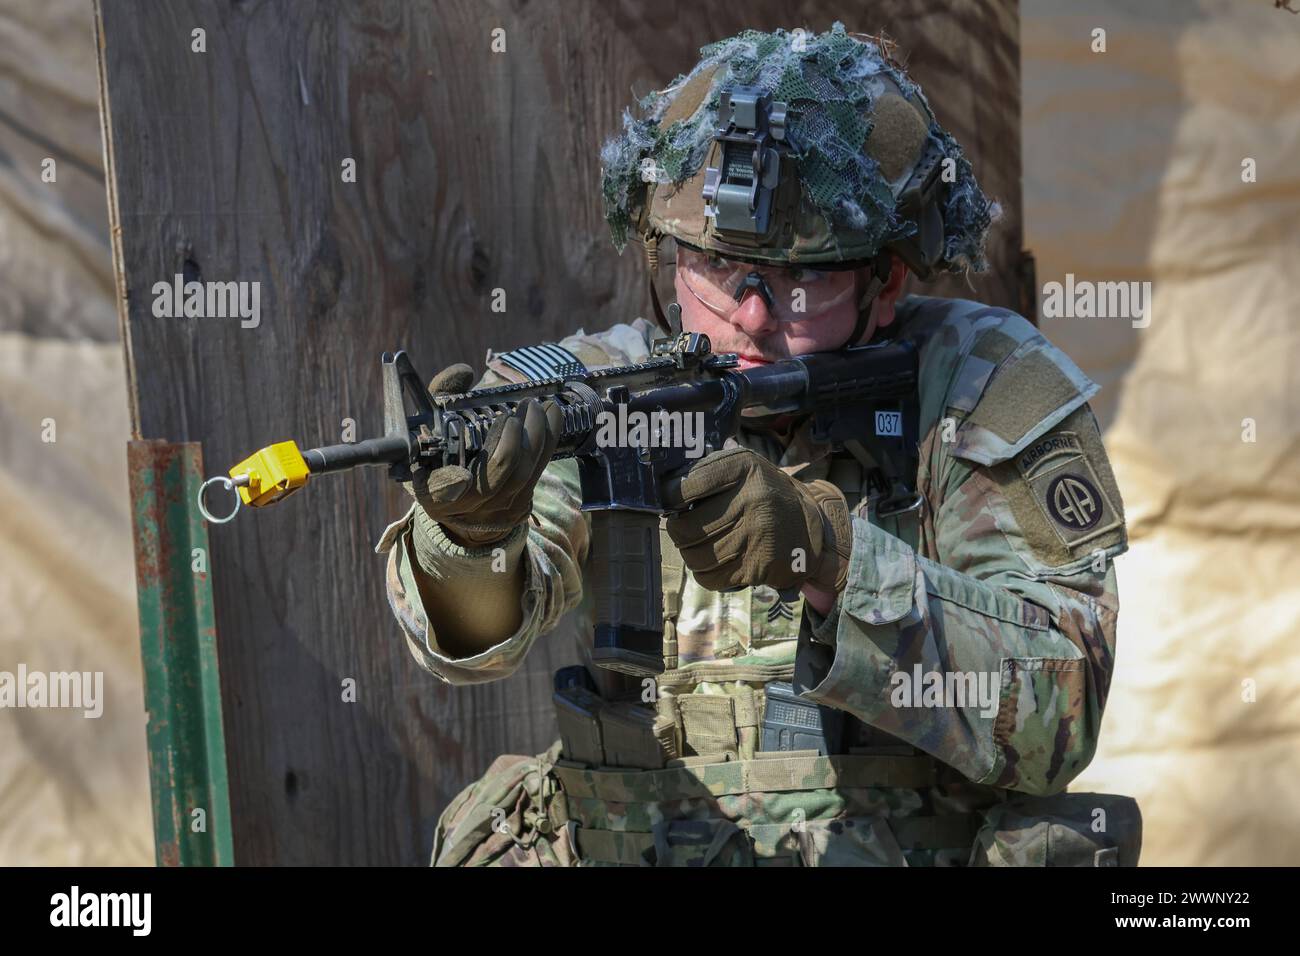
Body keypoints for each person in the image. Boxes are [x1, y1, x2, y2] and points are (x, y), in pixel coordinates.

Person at [376, 24, 1142, 866]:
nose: (748, 316)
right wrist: (472, 539)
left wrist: (832, 560)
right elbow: (473, 640)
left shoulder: (979, 386)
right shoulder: (601, 390)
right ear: (664, 258)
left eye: (800, 281)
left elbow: (1056, 710)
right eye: (714, 267)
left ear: (887, 280)